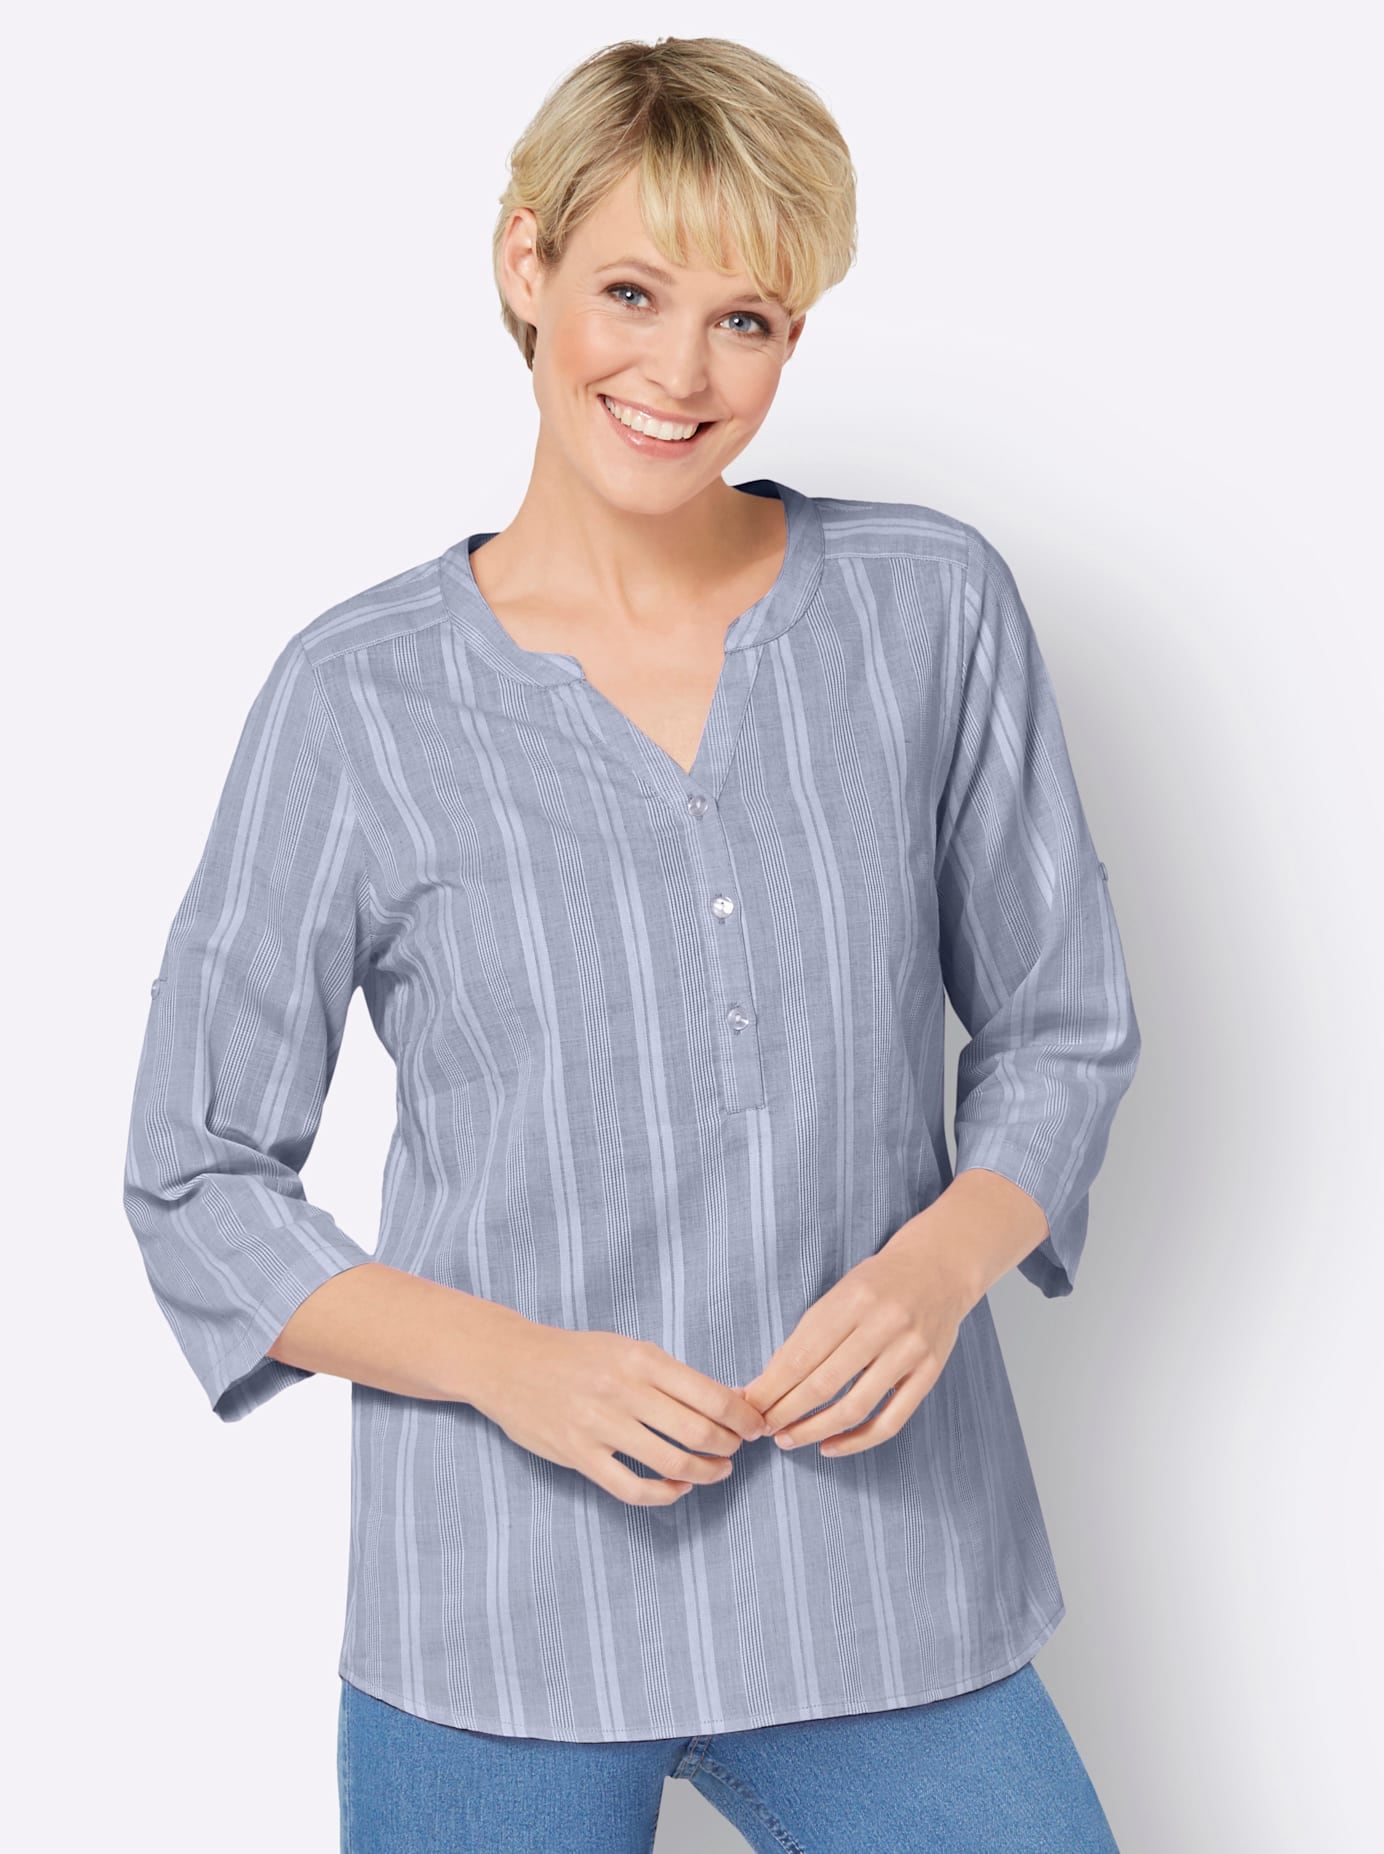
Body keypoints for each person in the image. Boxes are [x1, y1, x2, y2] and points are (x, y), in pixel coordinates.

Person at [122, 34, 1141, 1854]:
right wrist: (513, 1364)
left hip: (883, 1574)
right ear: (525, 264)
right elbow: (195, 1172)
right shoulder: (356, 698)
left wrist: (940, 1263)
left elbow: (1060, 1023)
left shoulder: (930, 610)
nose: (679, 373)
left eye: (746, 319)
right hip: (499, 1610)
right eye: (631, 292)